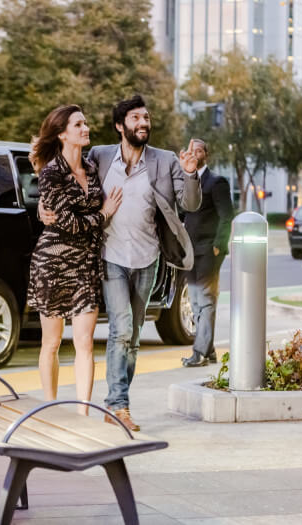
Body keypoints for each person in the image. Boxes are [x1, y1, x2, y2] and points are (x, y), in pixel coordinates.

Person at [40, 95, 201, 430]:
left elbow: (190, 203)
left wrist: (190, 174)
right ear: (120, 126)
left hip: (147, 259)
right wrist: (44, 204)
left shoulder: (164, 160)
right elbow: (66, 174)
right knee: (121, 329)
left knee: (135, 336)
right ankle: (118, 406)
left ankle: (118, 399)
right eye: (135, 119)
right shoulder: (100, 156)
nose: (143, 124)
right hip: (110, 256)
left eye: (146, 118)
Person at [27, 104, 123, 415]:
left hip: (85, 264)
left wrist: (99, 217)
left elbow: (81, 222)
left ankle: (82, 412)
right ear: (62, 133)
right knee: (52, 343)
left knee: (85, 341)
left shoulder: (92, 170)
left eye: (85, 122)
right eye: (78, 124)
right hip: (52, 264)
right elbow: (67, 223)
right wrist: (104, 213)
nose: (86, 128)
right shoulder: (50, 173)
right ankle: (51, 408)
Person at [181, 139, 235, 367]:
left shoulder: (217, 182)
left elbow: (227, 215)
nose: (195, 153)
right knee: (194, 302)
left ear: (206, 154)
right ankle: (210, 350)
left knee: (205, 300)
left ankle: (199, 352)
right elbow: (183, 214)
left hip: (209, 251)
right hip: (190, 251)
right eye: (192, 150)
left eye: (199, 150)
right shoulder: (186, 182)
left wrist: (219, 245)